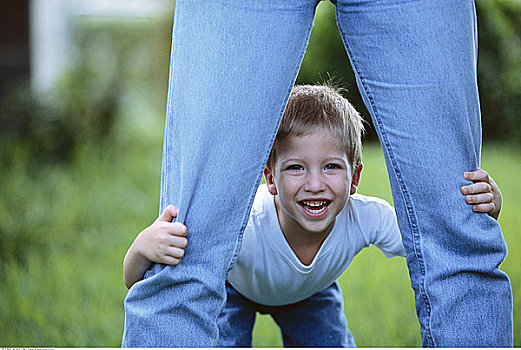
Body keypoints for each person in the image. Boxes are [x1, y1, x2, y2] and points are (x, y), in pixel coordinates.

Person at [122, 1, 513, 347]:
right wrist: (142, 248)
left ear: (355, 176)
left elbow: (434, 240)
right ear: (270, 179)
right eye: (295, 168)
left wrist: (481, 207)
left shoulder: (365, 217)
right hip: (233, 289)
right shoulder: (249, 224)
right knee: (188, 260)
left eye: (331, 167)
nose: (314, 184)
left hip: (310, 295)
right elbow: (142, 272)